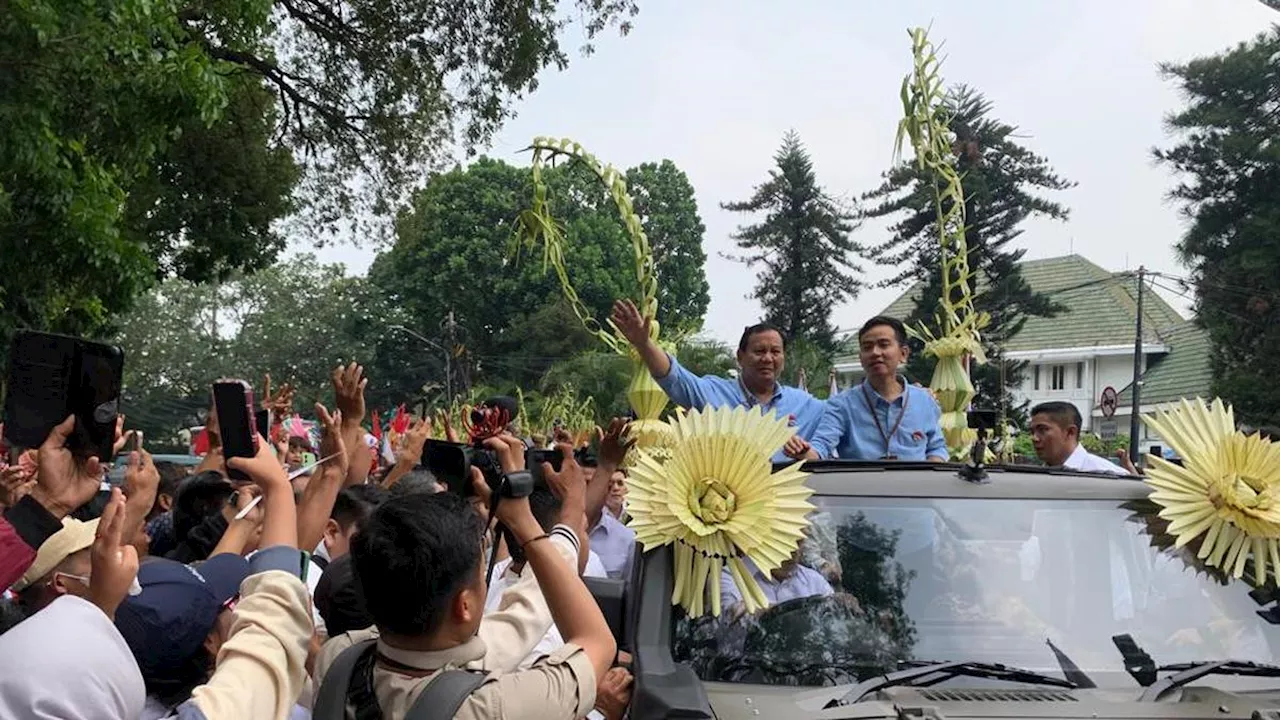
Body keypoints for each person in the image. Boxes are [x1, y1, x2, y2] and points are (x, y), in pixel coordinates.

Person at [312, 435, 616, 719]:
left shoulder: (337, 660)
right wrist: (540, 518)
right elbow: (596, 643)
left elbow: (515, 624)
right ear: (465, 605)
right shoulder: (490, 706)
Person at [610, 299, 824, 463]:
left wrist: (804, 452)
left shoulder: (805, 404)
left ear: (783, 359)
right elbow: (674, 377)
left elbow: (836, 430)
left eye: (775, 351)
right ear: (740, 357)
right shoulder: (713, 393)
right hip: (724, 509)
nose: (768, 358)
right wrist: (644, 344)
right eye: (759, 351)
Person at [807, 316, 948, 461]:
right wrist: (805, 452)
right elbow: (821, 445)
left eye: (884, 345)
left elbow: (936, 448)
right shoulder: (841, 404)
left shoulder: (924, 401)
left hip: (915, 482)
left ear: (903, 354)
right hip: (861, 483)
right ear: (861, 358)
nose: (875, 352)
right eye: (867, 347)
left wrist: (930, 472)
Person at [1030, 401, 1132, 475]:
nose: (1034, 438)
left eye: (1042, 430)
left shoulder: (1107, 474)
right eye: (1032, 432)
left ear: (1070, 432)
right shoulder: (1034, 477)